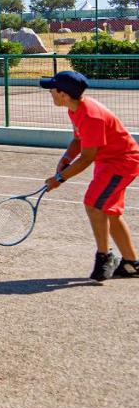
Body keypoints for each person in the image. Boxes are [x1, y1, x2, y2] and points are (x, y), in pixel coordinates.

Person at [40, 71, 139, 282]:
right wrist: (65, 158)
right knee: (109, 211)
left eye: (52, 89)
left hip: (122, 162)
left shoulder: (92, 116)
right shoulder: (75, 109)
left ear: (63, 94)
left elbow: (86, 158)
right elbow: (78, 141)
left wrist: (59, 179)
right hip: (108, 161)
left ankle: (105, 257)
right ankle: (131, 264)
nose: (50, 92)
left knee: (94, 204)